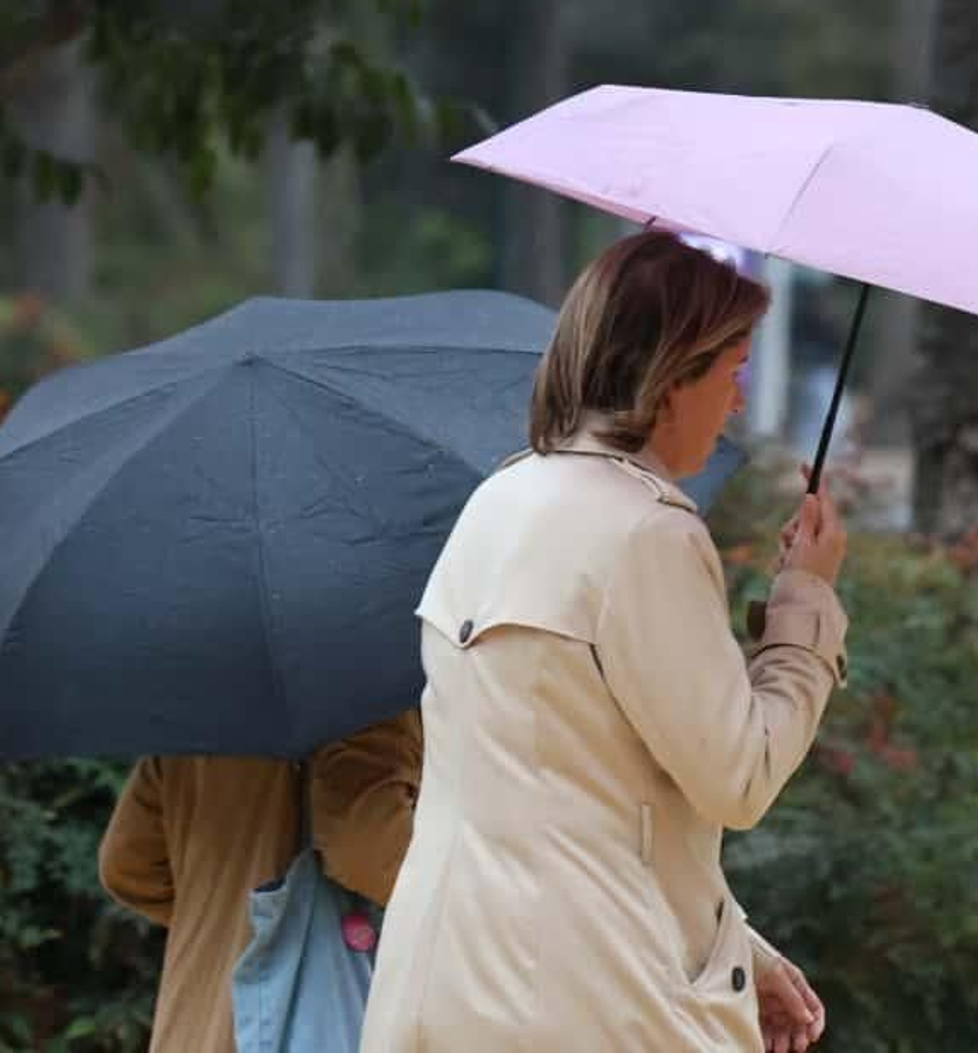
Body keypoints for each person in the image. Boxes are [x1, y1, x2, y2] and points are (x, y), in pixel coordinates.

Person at [360, 231, 849, 1053]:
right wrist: (808, 597)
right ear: (672, 377)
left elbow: (568, 803)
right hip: (589, 1003)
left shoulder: (498, 500)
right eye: (732, 370)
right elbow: (740, 777)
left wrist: (735, 949)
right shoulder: (646, 533)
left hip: (443, 991)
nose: (736, 402)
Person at [98, 709, 422, 1053]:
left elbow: (127, 865)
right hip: (295, 1024)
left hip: (193, 1023)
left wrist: (228, 921)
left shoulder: (195, 708)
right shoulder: (371, 701)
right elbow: (364, 849)